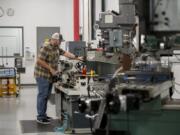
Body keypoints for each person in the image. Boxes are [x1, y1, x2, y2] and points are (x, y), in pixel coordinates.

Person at [34, 33, 82, 124]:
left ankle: (43, 115)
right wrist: (51, 69)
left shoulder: (56, 48)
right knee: (42, 95)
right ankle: (40, 117)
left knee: (46, 96)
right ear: (55, 40)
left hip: (49, 76)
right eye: (60, 41)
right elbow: (39, 61)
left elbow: (65, 53)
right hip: (42, 75)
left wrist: (77, 58)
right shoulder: (46, 47)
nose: (60, 43)